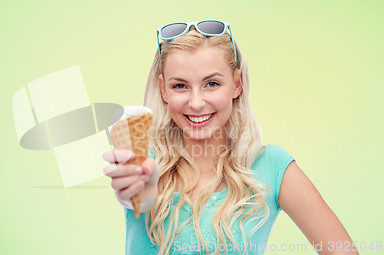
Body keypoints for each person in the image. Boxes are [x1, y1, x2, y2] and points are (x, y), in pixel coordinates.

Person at [103, 20, 358, 255]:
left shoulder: (272, 166)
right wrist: (141, 194)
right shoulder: (143, 162)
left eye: (211, 84)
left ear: (237, 84)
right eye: (180, 85)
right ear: (163, 90)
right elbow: (135, 195)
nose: (196, 102)